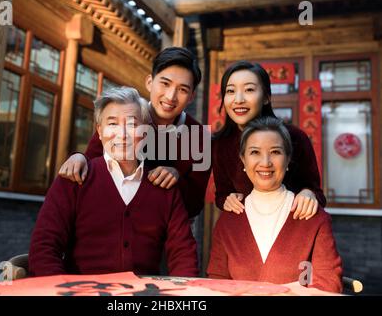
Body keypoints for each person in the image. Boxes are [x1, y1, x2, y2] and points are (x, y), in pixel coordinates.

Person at [29, 87, 198, 277]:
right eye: (112, 124)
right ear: (99, 132)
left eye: (132, 124)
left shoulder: (164, 187)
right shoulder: (74, 179)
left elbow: (184, 254)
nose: (122, 134)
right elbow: (43, 248)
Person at [58, 47, 211, 219]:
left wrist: (176, 179)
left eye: (182, 89)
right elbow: (92, 161)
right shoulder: (125, 115)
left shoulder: (202, 138)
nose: (170, 96)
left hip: (166, 230)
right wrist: (79, 157)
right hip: (110, 218)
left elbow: (196, 204)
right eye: (165, 83)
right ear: (149, 82)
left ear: (191, 96)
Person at [207, 117, 342, 293]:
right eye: (255, 152)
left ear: (288, 160)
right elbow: (217, 284)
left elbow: (328, 286)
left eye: (275, 152)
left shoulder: (314, 218)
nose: (265, 163)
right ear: (243, 160)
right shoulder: (229, 220)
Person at [213, 61, 326, 220]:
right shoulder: (220, 143)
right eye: (230, 91)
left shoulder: (295, 137)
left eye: (249, 89)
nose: (238, 99)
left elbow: (316, 193)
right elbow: (222, 194)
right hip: (247, 231)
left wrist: (309, 193)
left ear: (266, 97)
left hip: (291, 228)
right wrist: (227, 199)